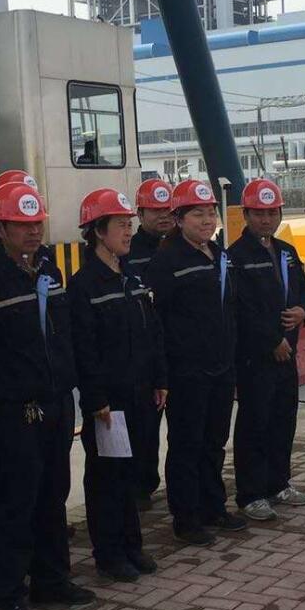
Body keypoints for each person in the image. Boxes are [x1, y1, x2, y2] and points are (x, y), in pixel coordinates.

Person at [0, 181, 94, 610]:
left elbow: (63, 332)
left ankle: (52, 579)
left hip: (57, 402)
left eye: (37, 223)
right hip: (16, 410)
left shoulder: (48, 270)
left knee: (53, 495)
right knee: (15, 502)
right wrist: (7, 393)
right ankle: (9, 594)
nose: (33, 231)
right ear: (0, 227)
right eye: (22, 224)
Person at [67, 188, 164, 581]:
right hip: (109, 403)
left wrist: (160, 378)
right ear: (97, 231)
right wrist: (96, 399)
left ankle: (131, 546)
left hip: (140, 394)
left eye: (129, 225)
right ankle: (109, 554)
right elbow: (84, 349)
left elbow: (152, 332)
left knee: (132, 474)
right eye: (121, 225)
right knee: (108, 477)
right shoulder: (84, 286)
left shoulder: (132, 277)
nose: (128, 232)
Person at [146, 179, 245, 547]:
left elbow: (230, 309)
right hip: (187, 372)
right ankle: (186, 518)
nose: (207, 220)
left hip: (221, 367)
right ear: (178, 219)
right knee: (187, 445)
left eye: (210, 213)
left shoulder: (219, 254)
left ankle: (213, 506)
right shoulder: (167, 261)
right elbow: (157, 321)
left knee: (214, 442)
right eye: (198, 214)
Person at [228, 178, 305, 522]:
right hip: (256, 359)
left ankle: (279, 483)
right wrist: (271, 341)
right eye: (259, 213)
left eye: (272, 213)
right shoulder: (236, 257)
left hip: (286, 357)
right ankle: (251, 494)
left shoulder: (286, 252)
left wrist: (303, 310)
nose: (266, 220)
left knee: (283, 420)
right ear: (246, 215)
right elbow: (242, 309)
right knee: (255, 424)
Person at [124, 178, 175, 507]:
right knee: (144, 427)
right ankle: (140, 487)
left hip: (178, 352)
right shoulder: (128, 252)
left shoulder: (182, 246)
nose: (163, 216)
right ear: (140, 214)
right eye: (155, 210)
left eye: (168, 209)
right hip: (146, 355)